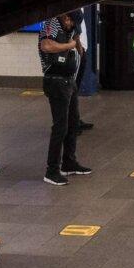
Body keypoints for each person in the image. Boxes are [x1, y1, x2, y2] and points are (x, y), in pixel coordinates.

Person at [39, 13, 92, 185]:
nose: (70, 26)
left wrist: (78, 48)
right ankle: (52, 170)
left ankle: (69, 162)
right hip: (55, 81)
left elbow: (77, 41)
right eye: (70, 22)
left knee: (73, 122)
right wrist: (69, 45)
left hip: (70, 80)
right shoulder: (51, 24)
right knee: (60, 126)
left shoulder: (74, 24)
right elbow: (46, 46)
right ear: (65, 17)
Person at [68, 9, 95, 134]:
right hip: (76, 50)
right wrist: (78, 46)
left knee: (75, 89)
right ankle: (71, 123)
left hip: (82, 47)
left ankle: (75, 119)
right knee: (71, 90)